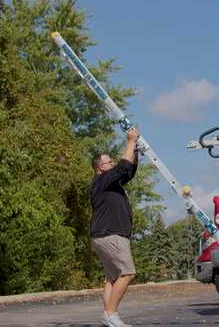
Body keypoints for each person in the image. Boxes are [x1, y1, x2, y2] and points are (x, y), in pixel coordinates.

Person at [90, 127, 140, 327]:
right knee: (127, 273)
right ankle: (111, 314)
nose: (112, 164)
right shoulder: (102, 180)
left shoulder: (109, 184)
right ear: (100, 167)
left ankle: (107, 316)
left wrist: (135, 150)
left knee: (112, 278)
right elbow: (122, 167)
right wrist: (130, 141)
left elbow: (128, 171)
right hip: (111, 234)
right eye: (109, 162)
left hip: (103, 235)